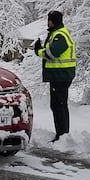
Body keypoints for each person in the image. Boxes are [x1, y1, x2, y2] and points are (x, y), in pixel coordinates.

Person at [34, 10, 76, 142]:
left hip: (61, 75)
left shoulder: (60, 35)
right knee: (58, 105)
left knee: (59, 105)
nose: (47, 22)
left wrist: (39, 51)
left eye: (49, 20)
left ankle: (62, 135)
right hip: (60, 75)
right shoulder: (57, 33)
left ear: (52, 21)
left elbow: (52, 53)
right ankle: (62, 134)